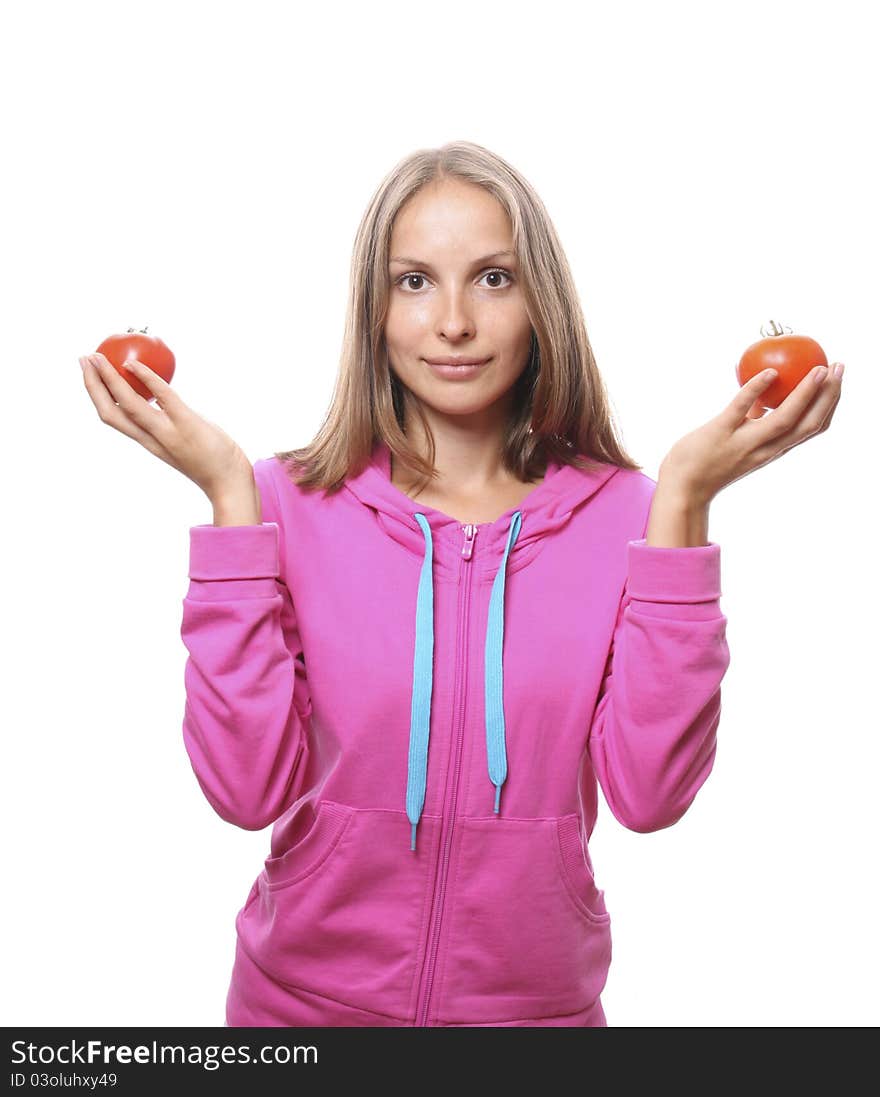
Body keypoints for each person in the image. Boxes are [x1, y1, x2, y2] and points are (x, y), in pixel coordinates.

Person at [79, 141, 844, 1027]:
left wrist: (685, 500)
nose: (451, 322)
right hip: (296, 1014)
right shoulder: (285, 504)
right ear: (373, 307)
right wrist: (227, 497)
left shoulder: (629, 514)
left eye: (491, 278)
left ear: (541, 302)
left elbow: (650, 795)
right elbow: (244, 789)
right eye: (413, 281)